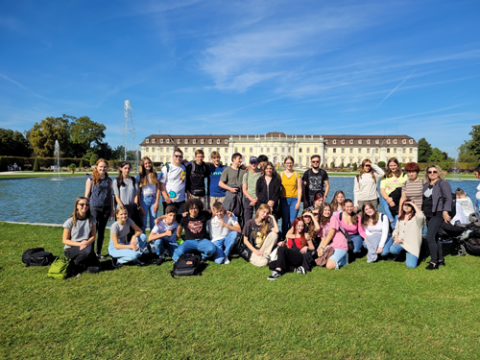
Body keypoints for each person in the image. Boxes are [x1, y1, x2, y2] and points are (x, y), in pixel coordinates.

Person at [422, 164, 452, 270]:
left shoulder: (443, 184)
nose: (432, 174)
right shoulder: (426, 185)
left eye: (434, 171)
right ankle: (440, 259)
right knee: (435, 237)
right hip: (428, 213)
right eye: (430, 172)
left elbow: (448, 198)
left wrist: (445, 212)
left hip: (438, 213)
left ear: (439, 172)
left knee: (429, 237)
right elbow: (425, 200)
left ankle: (433, 262)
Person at [62, 197, 101, 275]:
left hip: (86, 246)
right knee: (88, 250)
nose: (85, 206)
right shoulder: (70, 221)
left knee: (95, 269)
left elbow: (93, 235)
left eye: (87, 204)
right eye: (82, 204)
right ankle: (73, 266)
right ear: (77, 206)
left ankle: (82, 263)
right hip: (71, 249)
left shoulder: (92, 219)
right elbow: (65, 240)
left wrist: (86, 242)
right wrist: (80, 244)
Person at [85, 158, 113, 259]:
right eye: (101, 166)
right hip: (94, 208)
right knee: (93, 231)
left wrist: (112, 211)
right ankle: (90, 253)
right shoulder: (91, 179)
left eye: (104, 166)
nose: (102, 168)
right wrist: (85, 208)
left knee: (101, 232)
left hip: (106, 208)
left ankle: (98, 253)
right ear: (97, 167)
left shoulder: (109, 180)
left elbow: (110, 196)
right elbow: (87, 195)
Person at [172, 198, 217, 262]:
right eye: (191, 208)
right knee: (179, 252)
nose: (193, 210)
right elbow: (169, 215)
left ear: (199, 209)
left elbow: (217, 211)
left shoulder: (204, 214)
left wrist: (226, 212)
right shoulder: (184, 217)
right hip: (189, 241)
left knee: (212, 249)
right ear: (188, 209)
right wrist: (159, 219)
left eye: (195, 208)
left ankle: (203, 256)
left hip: (202, 240)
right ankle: (191, 255)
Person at [390, 200, 425, 268]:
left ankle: (416, 254)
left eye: (409, 205)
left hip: (412, 245)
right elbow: (396, 229)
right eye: (405, 205)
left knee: (411, 266)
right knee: (393, 249)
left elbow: (421, 216)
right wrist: (396, 238)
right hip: (401, 243)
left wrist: (414, 205)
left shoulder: (416, 218)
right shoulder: (400, 217)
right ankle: (402, 256)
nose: (406, 207)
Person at [316, 203, 349, 270]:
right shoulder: (321, 223)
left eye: (329, 210)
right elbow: (323, 239)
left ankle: (344, 260)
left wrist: (322, 248)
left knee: (329, 266)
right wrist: (319, 250)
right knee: (321, 261)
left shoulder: (333, 218)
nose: (327, 212)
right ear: (321, 211)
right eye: (325, 210)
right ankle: (340, 258)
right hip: (331, 247)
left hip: (340, 245)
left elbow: (330, 234)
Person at [379, 157, 408, 229]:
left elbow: (403, 188)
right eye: (391, 165)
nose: (393, 167)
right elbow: (382, 189)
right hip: (386, 199)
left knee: (397, 217)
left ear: (397, 165)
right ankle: (394, 234)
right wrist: (388, 199)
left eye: (394, 165)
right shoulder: (386, 176)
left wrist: (393, 198)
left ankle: (396, 233)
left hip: (399, 199)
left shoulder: (403, 175)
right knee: (390, 218)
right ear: (388, 166)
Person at [279, 156, 302, 239]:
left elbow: (299, 189)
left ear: (293, 163)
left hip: (294, 200)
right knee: (285, 220)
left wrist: (299, 202)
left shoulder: (297, 174)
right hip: (284, 199)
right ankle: (284, 237)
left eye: (291, 163)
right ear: (285, 164)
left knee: (293, 220)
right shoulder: (280, 175)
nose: (289, 164)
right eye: (287, 163)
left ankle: (292, 238)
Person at [113, 161, 141, 229]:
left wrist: (135, 204)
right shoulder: (116, 181)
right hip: (121, 209)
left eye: (128, 168)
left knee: (131, 231)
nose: (127, 170)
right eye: (125, 168)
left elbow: (136, 194)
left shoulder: (134, 180)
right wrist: (123, 209)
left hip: (132, 208)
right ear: (121, 169)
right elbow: (117, 197)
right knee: (121, 230)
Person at [136, 156, 161, 233]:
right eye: (146, 163)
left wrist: (157, 202)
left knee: (153, 221)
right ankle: (143, 242)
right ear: (143, 165)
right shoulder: (140, 176)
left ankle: (153, 242)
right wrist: (140, 205)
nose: (148, 165)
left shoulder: (155, 174)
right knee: (143, 221)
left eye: (149, 163)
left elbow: (158, 189)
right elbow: (138, 192)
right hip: (144, 199)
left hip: (153, 198)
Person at [160, 149, 187, 214]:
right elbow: (161, 184)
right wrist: (166, 198)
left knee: (181, 221)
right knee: (169, 222)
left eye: (180, 156)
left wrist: (213, 163)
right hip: (169, 200)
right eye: (176, 156)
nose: (178, 158)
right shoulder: (166, 168)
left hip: (181, 201)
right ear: (173, 157)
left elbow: (199, 161)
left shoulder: (184, 167)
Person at [242, 156, 261, 223]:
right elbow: (244, 189)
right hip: (248, 199)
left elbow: (262, 189)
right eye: (252, 163)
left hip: (258, 199)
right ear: (249, 163)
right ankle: (247, 233)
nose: (253, 164)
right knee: (247, 219)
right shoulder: (246, 175)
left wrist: (256, 199)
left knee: (259, 219)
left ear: (258, 163)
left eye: (255, 163)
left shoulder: (261, 174)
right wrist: (251, 199)